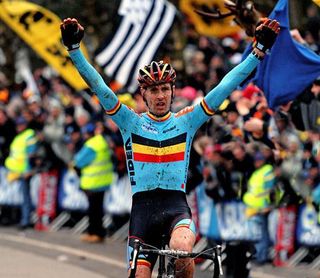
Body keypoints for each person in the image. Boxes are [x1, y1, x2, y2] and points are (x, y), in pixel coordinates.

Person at [60, 17, 280, 277]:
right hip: (143, 213)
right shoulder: (129, 122)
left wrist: (258, 52)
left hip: (176, 207)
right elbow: (99, 87)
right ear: (144, 94)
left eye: (165, 88)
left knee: (181, 248)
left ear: (173, 91)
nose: (160, 96)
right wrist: (74, 51)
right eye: (153, 90)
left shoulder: (187, 121)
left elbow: (225, 87)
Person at [70, 122, 114, 243]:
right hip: (103, 181)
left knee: (93, 210)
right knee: (98, 209)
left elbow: (78, 161)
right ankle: (98, 232)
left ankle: (94, 232)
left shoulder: (92, 145)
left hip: (93, 182)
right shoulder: (102, 141)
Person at [4, 116, 37, 229]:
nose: (19, 127)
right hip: (16, 171)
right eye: (18, 125)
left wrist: (28, 170)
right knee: (18, 196)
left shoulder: (28, 136)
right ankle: (20, 218)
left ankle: (25, 220)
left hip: (24, 171)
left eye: (21, 124)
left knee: (25, 197)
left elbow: (31, 155)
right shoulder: (19, 136)